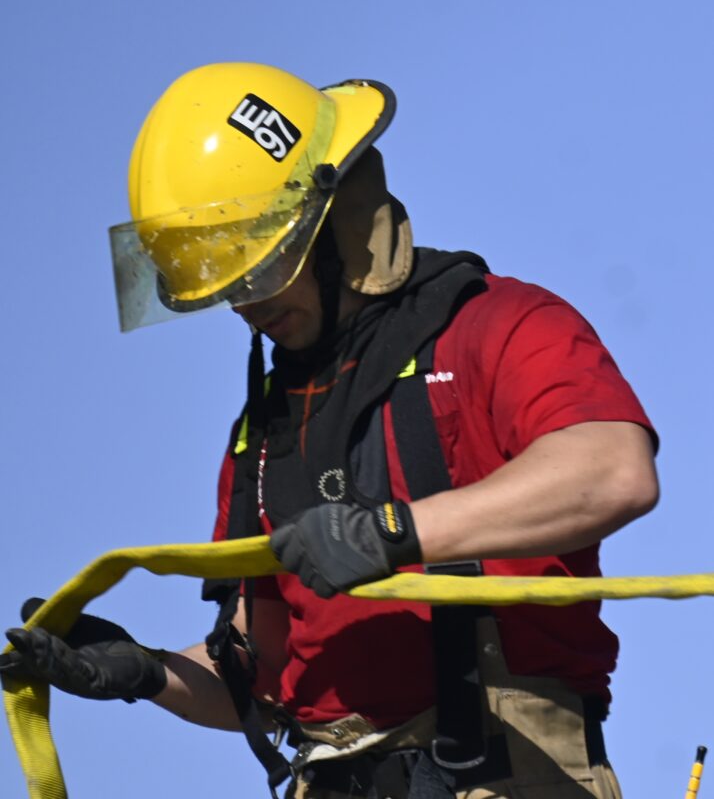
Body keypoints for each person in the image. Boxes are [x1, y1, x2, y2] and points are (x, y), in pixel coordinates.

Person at [2, 63, 659, 798]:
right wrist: (146, 673)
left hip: (507, 774)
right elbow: (266, 679)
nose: (245, 305)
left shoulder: (495, 326)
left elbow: (612, 471)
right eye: (225, 282)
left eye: (260, 267)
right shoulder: (265, 433)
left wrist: (391, 532)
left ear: (341, 220)